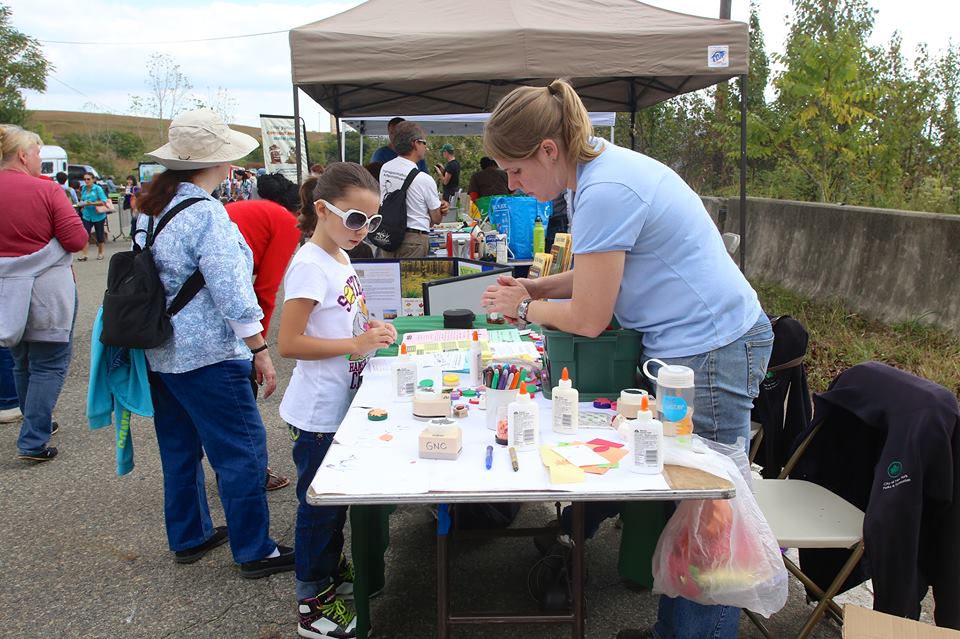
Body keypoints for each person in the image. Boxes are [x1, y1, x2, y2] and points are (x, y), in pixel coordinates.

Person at [480, 79, 774, 639]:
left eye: (514, 170)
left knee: (708, 510)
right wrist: (537, 290)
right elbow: (599, 273)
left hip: (711, 349)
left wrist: (524, 308)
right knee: (685, 499)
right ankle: (675, 630)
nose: (511, 184)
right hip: (693, 347)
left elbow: (590, 316)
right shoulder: (590, 175)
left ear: (548, 149)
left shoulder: (605, 188)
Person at [135, 109, 294, 577]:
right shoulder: (207, 214)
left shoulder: (151, 207)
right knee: (240, 451)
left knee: (179, 448)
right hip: (208, 353)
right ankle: (254, 549)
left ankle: (189, 535)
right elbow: (232, 291)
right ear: (223, 164)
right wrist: (259, 349)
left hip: (161, 348)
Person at [277, 162, 396, 638]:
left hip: (341, 403)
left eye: (372, 222)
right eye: (354, 220)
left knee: (334, 507)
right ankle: (311, 601)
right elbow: (289, 343)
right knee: (319, 507)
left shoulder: (340, 257)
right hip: (317, 412)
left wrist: (369, 329)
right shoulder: (309, 264)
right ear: (322, 210)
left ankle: (329, 574)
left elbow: (346, 316)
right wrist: (355, 345)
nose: (363, 231)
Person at [0, 125, 88, 461]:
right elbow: (76, 240)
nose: (39, 159)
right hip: (46, 289)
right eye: (37, 153)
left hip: (5, 288)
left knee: (21, 361)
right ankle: (33, 439)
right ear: (23, 155)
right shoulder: (47, 191)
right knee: (49, 363)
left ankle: (35, 421)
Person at [226, 173, 303, 492]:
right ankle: (252, 474)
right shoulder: (284, 220)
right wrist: (257, 348)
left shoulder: (247, 208)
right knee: (242, 411)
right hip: (227, 324)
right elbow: (266, 290)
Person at [377, 121, 448, 258]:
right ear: (415, 143)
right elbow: (436, 218)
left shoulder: (385, 169)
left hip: (389, 235)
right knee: (411, 279)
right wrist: (442, 209)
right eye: (424, 142)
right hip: (414, 240)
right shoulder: (424, 179)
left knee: (392, 279)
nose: (425, 147)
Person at [77, 171, 109, 261]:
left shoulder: (97, 189)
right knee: (85, 234)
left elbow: (103, 201)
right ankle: (84, 254)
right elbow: (83, 199)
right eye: (85, 179)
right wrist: (82, 205)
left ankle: (100, 252)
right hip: (87, 215)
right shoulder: (83, 188)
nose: (86, 181)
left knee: (99, 234)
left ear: (93, 179)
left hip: (98, 215)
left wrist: (92, 203)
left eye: (88, 179)